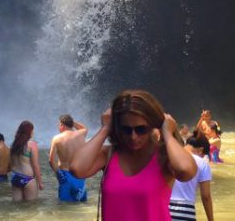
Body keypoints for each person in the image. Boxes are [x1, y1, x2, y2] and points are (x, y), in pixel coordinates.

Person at [70, 90, 197, 221]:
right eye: (126, 129)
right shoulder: (109, 154)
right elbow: (77, 169)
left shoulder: (164, 157)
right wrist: (105, 128)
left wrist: (167, 133)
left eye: (141, 129)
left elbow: (186, 171)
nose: (133, 136)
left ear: (154, 126)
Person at [169, 135, 214, 221]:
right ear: (201, 150)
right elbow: (206, 196)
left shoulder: (170, 158)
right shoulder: (202, 164)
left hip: (164, 208)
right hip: (185, 211)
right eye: (203, 155)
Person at [49, 114, 88, 202]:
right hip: (79, 175)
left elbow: (51, 161)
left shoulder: (56, 138)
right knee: (81, 203)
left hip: (65, 176)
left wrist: (58, 173)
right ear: (71, 124)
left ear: (62, 125)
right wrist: (71, 121)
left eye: (59, 124)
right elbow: (83, 127)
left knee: (64, 206)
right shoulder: (81, 134)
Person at [10, 121, 43, 201]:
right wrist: (40, 182)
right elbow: (35, 165)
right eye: (32, 130)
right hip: (27, 179)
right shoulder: (32, 144)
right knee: (32, 208)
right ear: (29, 131)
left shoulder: (14, 145)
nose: (33, 132)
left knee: (17, 207)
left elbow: (11, 163)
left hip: (15, 178)